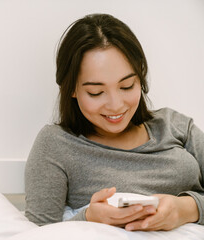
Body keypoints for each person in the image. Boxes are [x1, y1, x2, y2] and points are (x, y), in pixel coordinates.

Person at [24, 13, 204, 231]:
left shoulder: (175, 126)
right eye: (96, 92)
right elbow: (39, 233)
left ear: (141, 77)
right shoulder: (55, 144)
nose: (115, 105)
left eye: (127, 86)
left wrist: (186, 208)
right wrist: (89, 218)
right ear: (71, 88)